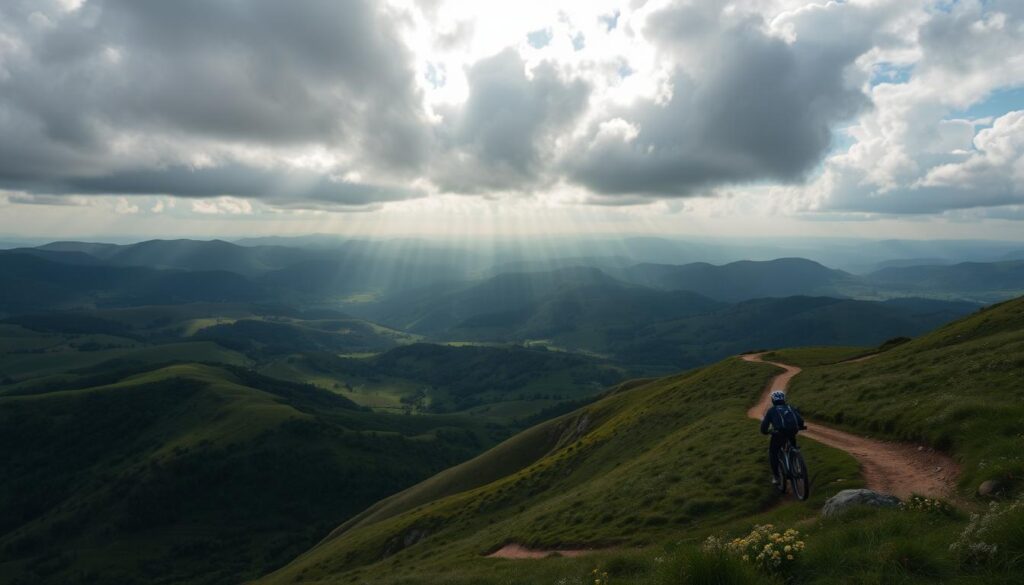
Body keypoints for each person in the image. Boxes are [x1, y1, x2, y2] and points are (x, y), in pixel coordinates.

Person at [759, 390, 806, 485]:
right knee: (792, 445)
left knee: (773, 453)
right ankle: (795, 457)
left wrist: (765, 431)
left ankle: (776, 477)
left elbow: (764, 426)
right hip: (792, 431)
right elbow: (800, 420)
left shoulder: (771, 411)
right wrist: (800, 426)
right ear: (783, 399)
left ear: (773, 400)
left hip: (779, 434)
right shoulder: (790, 407)